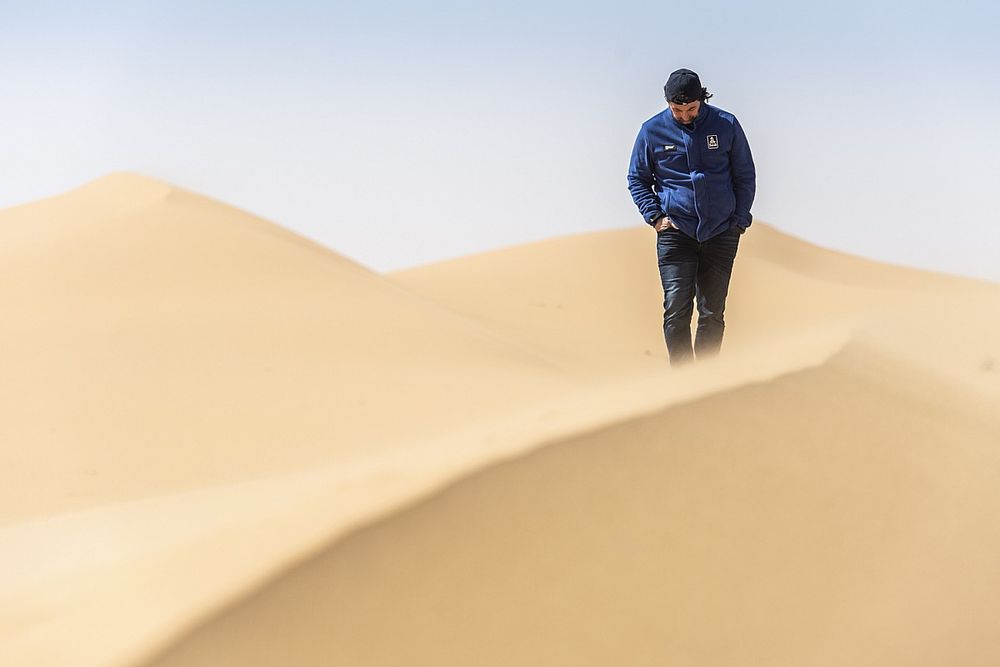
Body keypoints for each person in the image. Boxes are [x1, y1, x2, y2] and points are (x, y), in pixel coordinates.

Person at [627, 68, 756, 367]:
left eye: (691, 109)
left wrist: (739, 220)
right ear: (668, 103)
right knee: (676, 308)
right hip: (675, 231)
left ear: (703, 100)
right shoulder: (651, 131)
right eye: (677, 110)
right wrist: (655, 216)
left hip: (721, 231)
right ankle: (683, 381)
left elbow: (745, 175)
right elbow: (637, 178)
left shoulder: (727, 124)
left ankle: (705, 380)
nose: (685, 116)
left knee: (712, 312)